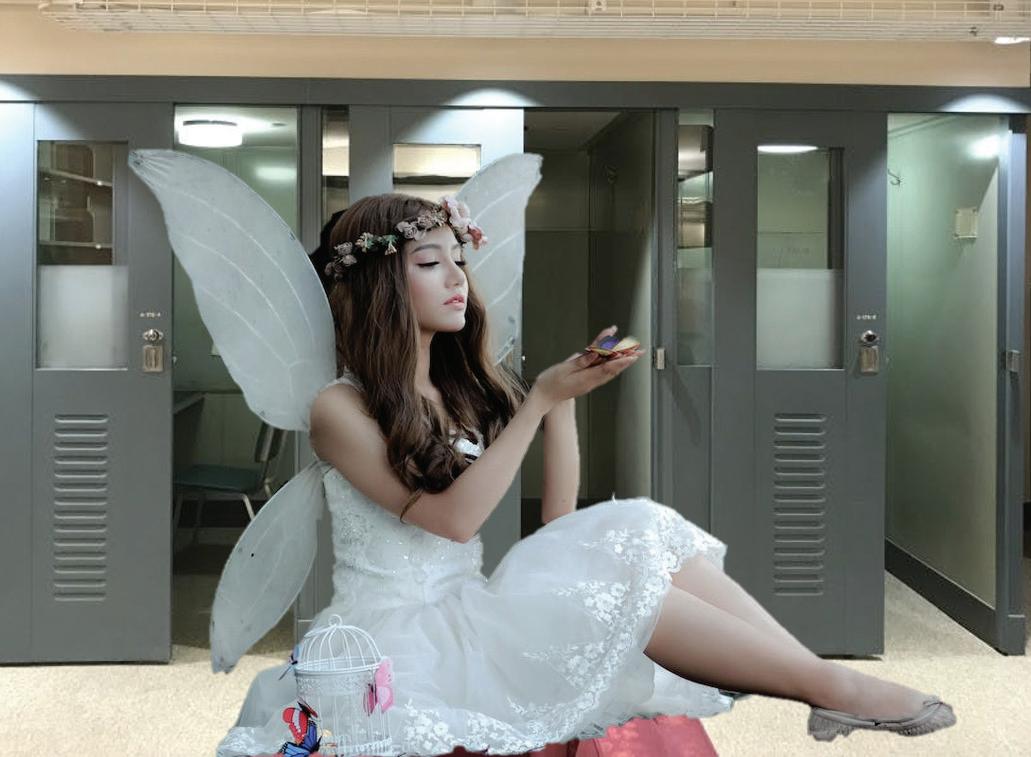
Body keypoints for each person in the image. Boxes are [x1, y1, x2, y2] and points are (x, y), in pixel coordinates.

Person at [215, 193, 955, 756]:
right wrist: (538, 401)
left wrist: (562, 403)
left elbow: (560, 523)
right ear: (381, 283)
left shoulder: (458, 387)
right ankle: (828, 684)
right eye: (430, 262)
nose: (457, 279)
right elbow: (451, 521)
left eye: (458, 260)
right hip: (400, 632)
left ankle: (816, 679)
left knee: (636, 526)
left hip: (467, 603)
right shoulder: (338, 407)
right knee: (609, 583)